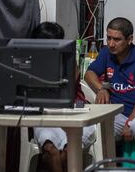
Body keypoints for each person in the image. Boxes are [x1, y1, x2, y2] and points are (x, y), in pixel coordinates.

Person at [84, 17, 135, 172]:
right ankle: (105, 167)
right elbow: (89, 74)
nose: (111, 43)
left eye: (117, 39)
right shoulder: (106, 53)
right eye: (109, 38)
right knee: (94, 131)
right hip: (119, 113)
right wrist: (101, 88)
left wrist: (130, 122)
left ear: (129, 39)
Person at [32, 22, 96, 172]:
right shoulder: (31, 62)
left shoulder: (68, 60)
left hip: (74, 113)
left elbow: (65, 87)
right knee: (51, 150)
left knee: (68, 150)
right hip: (45, 116)